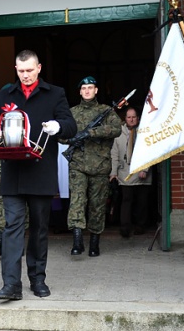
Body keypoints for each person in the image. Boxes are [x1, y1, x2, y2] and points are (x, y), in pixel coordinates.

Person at [0, 49, 77, 300]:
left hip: (41, 171)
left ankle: (37, 278)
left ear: (39, 68)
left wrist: (58, 126)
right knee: (12, 227)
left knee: (40, 228)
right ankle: (11, 284)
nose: (25, 75)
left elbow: (70, 125)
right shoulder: (6, 93)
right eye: (20, 71)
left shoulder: (55, 93)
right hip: (12, 170)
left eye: (29, 70)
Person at [61, 76, 121, 257]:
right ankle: (77, 241)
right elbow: (61, 134)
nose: (87, 91)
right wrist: (72, 139)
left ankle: (95, 242)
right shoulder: (71, 113)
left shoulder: (106, 111)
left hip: (100, 166)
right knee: (77, 202)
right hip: (78, 164)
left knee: (97, 205)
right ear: (80, 92)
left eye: (90, 87)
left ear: (96, 90)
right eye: (84, 88)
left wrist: (91, 132)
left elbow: (116, 129)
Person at [110, 106, 152, 237]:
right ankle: (125, 228)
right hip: (125, 172)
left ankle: (140, 226)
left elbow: (149, 152)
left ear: (138, 118)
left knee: (142, 201)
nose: (131, 119)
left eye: (134, 117)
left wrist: (144, 169)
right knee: (126, 199)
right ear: (125, 119)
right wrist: (113, 172)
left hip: (142, 172)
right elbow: (114, 154)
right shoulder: (119, 133)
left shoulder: (145, 132)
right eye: (129, 117)